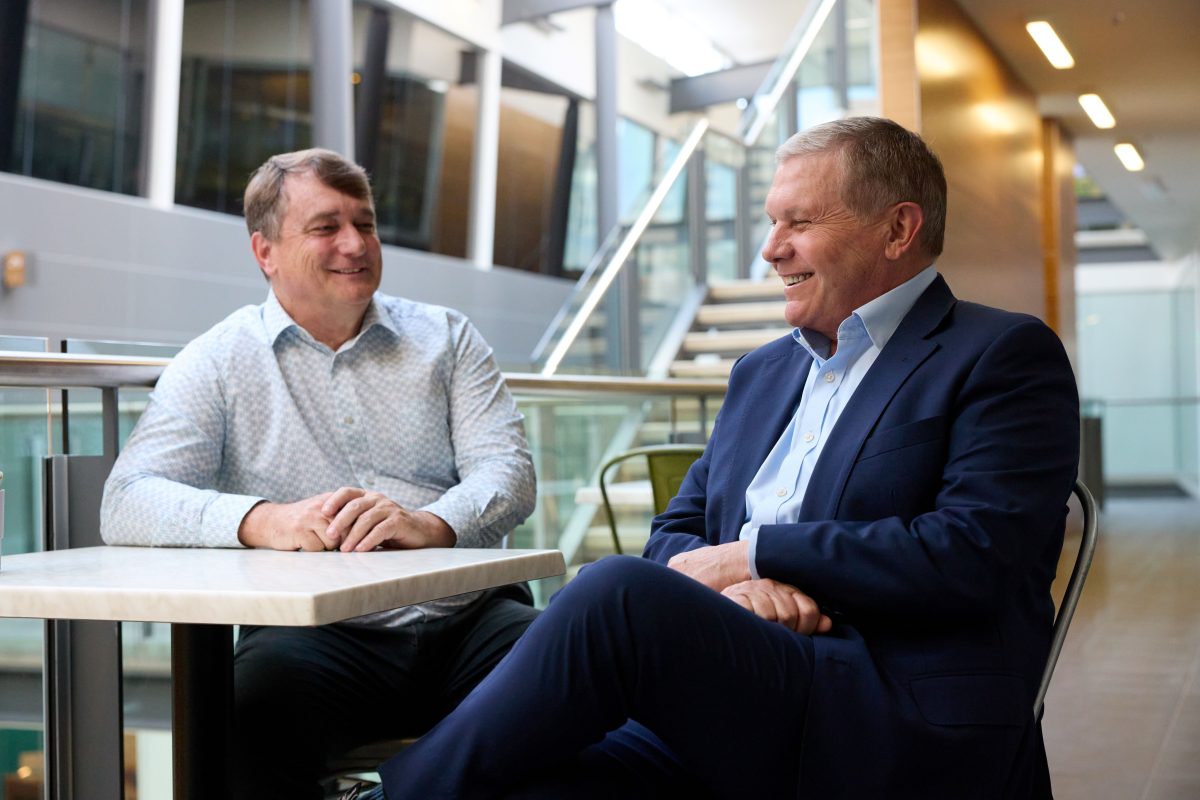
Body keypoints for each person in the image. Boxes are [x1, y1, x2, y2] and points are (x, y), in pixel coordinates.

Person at [351, 117, 1080, 799]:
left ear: (898, 228)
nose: (771, 248)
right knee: (523, 784)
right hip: (742, 689)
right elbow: (680, 527)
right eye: (772, 223)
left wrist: (756, 558)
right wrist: (739, 591)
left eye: (800, 222)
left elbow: (974, 554)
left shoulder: (999, 355)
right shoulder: (762, 373)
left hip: (889, 711)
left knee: (616, 593)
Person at [100, 148, 539, 799]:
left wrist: (433, 522)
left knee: (578, 681)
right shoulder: (218, 361)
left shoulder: (447, 337)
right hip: (318, 639)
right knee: (241, 722)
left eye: (365, 223)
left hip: (470, 621)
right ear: (265, 250)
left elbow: (509, 470)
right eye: (326, 226)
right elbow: (128, 500)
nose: (355, 244)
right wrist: (262, 519)